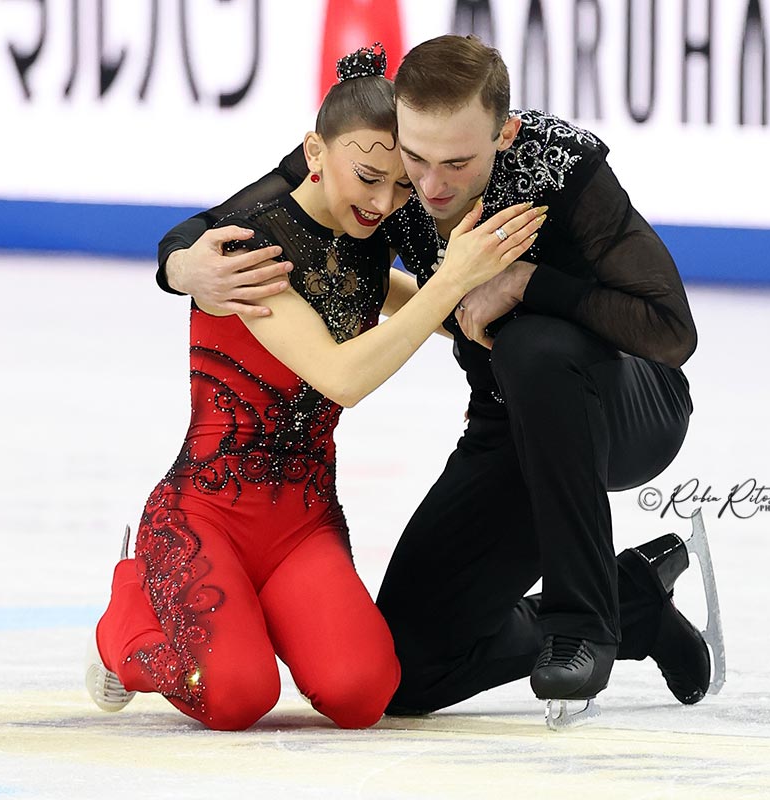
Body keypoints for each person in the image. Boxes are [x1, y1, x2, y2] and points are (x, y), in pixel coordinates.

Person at [155, 35, 721, 721]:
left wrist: (528, 282)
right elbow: (230, 220)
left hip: (628, 404)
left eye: (457, 162)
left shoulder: (557, 163)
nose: (428, 186)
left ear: (504, 133)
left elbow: (670, 333)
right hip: (510, 420)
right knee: (410, 671)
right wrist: (181, 268)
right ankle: (635, 604)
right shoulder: (385, 152)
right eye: (415, 160)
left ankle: (586, 625)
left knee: (533, 346)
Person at [86, 43, 544, 732]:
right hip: (205, 514)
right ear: (314, 152)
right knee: (236, 695)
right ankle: (125, 622)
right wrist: (453, 280)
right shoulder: (245, 251)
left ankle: (253, 614)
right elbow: (341, 375)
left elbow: (372, 289)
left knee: (363, 693)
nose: (384, 203)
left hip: (302, 521)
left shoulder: (363, 235)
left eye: (401, 186)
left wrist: (479, 315)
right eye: (369, 178)